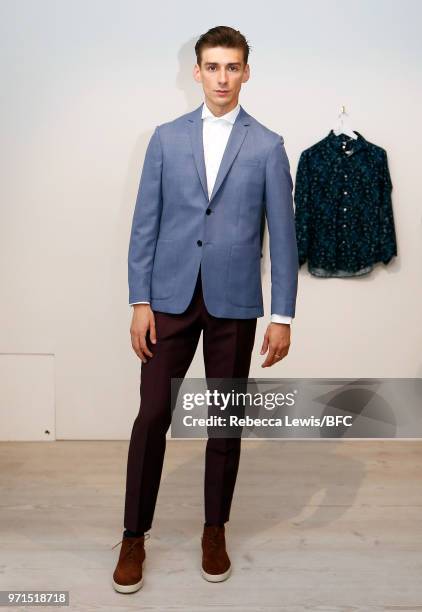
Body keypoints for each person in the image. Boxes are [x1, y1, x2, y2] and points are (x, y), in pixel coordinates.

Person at [112, 25, 299, 593]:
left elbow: (283, 238)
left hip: (235, 303)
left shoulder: (267, 145)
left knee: (225, 422)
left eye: (232, 67)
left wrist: (282, 316)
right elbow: (145, 225)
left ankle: (213, 528)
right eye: (212, 67)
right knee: (151, 419)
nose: (222, 77)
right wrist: (139, 300)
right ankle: (133, 536)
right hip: (167, 299)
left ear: (246, 72)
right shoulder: (165, 139)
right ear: (196, 72)